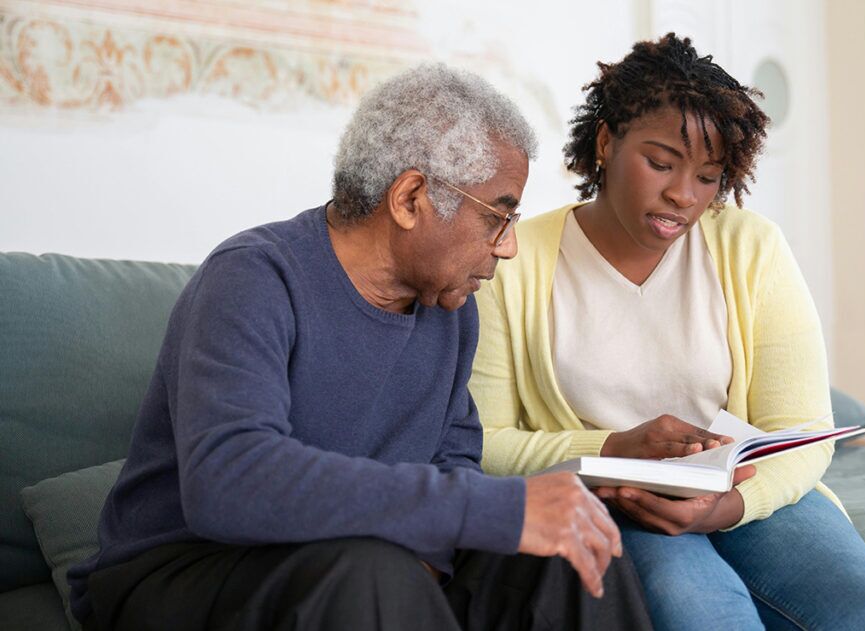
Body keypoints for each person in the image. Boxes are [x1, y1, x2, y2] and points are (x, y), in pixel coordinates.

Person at [67, 64, 653, 631]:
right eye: (497, 218)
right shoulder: (253, 277)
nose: (507, 249)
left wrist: (440, 550)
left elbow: (452, 460)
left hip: (362, 568)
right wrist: (487, 511)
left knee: (577, 549)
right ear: (410, 199)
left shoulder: (449, 310)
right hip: (184, 570)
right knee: (375, 572)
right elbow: (228, 480)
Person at [470, 35, 865, 631]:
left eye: (708, 177)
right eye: (660, 163)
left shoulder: (750, 248)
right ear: (606, 141)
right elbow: (484, 442)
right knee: (703, 615)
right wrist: (611, 449)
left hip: (747, 492)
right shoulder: (512, 260)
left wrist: (731, 505)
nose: (683, 196)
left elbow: (804, 432)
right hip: (617, 500)